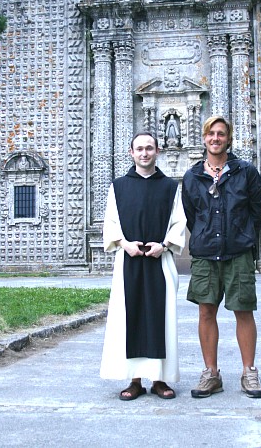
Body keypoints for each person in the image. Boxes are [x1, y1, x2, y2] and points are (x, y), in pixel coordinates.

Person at [182, 116, 261, 399]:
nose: (215, 138)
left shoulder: (245, 172)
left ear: (228, 139)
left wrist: (242, 234)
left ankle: (249, 372)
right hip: (206, 254)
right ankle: (211, 373)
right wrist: (206, 235)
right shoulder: (193, 177)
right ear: (204, 138)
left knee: (243, 309)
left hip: (238, 252)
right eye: (211, 134)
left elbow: (259, 209)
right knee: (206, 311)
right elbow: (191, 215)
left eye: (221, 134)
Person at [100, 132, 186, 401]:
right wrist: (124, 243)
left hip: (160, 262)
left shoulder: (170, 187)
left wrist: (166, 244)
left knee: (161, 318)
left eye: (149, 148)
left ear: (157, 151)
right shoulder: (119, 186)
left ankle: (160, 379)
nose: (145, 153)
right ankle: (134, 380)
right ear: (131, 153)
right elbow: (111, 223)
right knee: (130, 318)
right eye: (140, 149)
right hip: (129, 262)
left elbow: (178, 222)